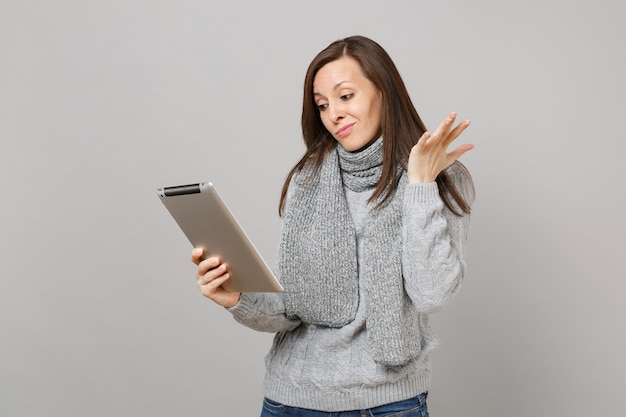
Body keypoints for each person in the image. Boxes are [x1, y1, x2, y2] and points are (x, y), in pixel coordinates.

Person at [191, 35, 475, 416]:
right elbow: (293, 307)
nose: (333, 114)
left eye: (345, 96)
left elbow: (430, 292)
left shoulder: (443, 178)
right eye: (322, 105)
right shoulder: (308, 180)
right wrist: (237, 298)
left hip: (388, 404)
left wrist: (420, 185)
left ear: (384, 92)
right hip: (290, 401)